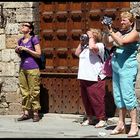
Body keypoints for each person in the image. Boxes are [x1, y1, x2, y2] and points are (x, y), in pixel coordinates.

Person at [103, 11, 140, 137]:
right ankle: (121, 123)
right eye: (121, 20)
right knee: (119, 96)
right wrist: (106, 30)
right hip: (117, 67)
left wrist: (112, 32)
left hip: (128, 67)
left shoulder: (135, 33)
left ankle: (134, 125)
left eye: (125, 20)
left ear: (131, 22)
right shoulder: (119, 32)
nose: (122, 22)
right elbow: (107, 43)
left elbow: (122, 43)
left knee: (128, 95)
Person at [75, 28, 107, 128]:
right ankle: (90, 118)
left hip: (94, 76)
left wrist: (91, 37)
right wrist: (82, 42)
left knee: (97, 99)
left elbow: (93, 47)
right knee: (86, 99)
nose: (87, 36)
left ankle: (102, 119)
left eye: (89, 35)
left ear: (95, 36)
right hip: (84, 76)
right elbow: (76, 53)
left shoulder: (100, 45)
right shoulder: (85, 47)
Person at [15, 22, 41, 122]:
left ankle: (35, 113)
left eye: (25, 25)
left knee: (34, 91)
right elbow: (21, 55)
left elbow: (38, 54)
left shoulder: (34, 39)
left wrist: (26, 49)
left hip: (33, 68)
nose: (23, 27)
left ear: (30, 29)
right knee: (24, 91)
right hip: (23, 68)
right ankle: (25, 112)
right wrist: (18, 51)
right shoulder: (20, 40)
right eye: (22, 25)